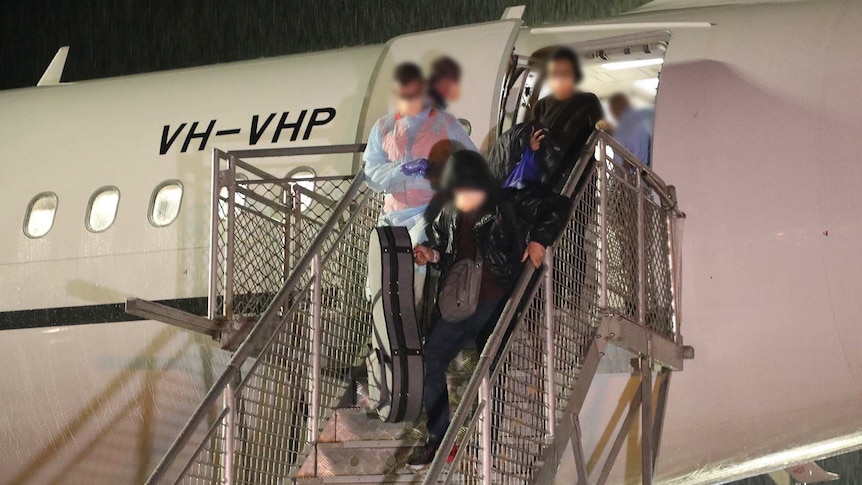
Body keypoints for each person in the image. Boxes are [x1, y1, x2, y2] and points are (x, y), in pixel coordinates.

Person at [406, 150, 572, 467]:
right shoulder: (448, 213)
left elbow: (557, 206)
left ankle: (486, 441)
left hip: (497, 301)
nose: (461, 197)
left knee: (490, 371)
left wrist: (539, 239)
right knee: (431, 360)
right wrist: (431, 254)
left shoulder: (507, 203)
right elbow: (444, 247)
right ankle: (439, 439)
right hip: (459, 304)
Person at [531, 47, 604, 178]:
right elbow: (533, 138)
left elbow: (602, 125)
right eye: (555, 73)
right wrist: (532, 144)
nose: (560, 77)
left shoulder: (588, 100)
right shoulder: (540, 106)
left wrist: (603, 125)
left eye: (565, 72)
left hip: (580, 174)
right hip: (549, 174)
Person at [597, 92, 654, 166]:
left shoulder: (621, 132)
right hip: (650, 164)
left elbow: (621, 163)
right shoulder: (644, 116)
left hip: (638, 169)